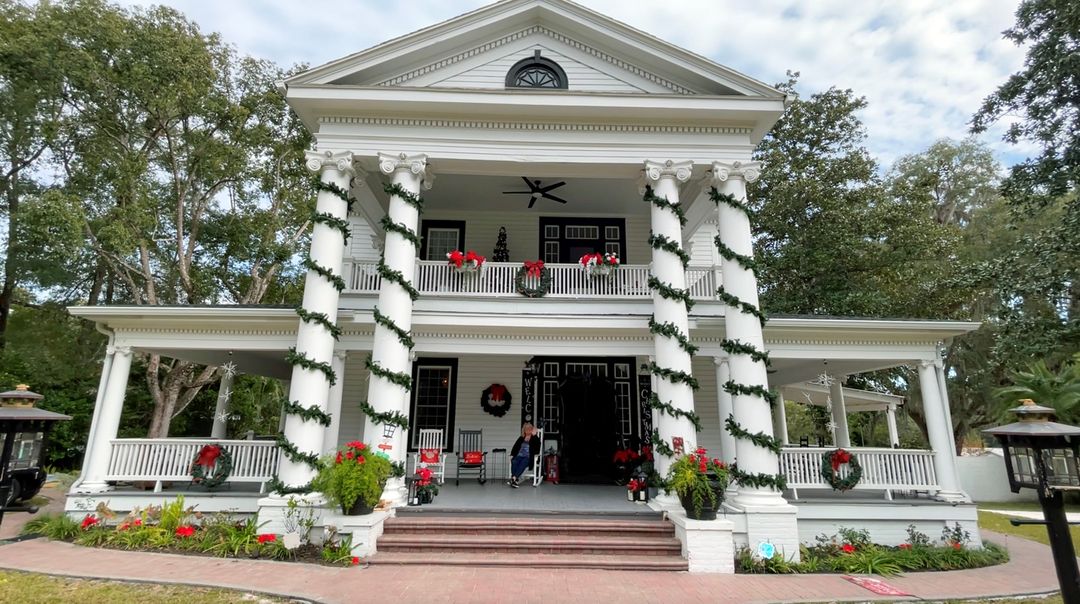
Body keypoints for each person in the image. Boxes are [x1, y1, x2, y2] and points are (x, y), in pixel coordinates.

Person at [508, 422, 541, 488]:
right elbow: (515, 447)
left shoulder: (534, 438)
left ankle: (513, 478)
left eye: (530, 429)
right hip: (519, 455)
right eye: (527, 429)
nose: (528, 430)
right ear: (524, 430)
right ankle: (514, 479)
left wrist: (534, 435)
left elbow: (538, 447)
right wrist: (512, 454)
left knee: (524, 461)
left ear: (532, 430)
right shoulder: (521, 438)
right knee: (514, 461)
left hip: (528, 457)